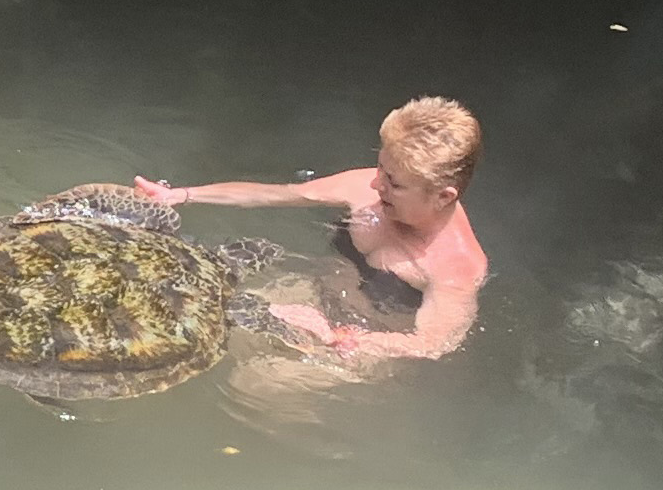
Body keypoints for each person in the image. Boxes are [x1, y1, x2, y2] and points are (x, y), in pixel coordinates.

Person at [134, 96, 488, 360]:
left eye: (394, 183)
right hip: (311, 294)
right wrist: (181, 194)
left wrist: (345, 339)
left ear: (443, 196)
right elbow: (276, 196)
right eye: (380, 167)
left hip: (366, 341)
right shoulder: (367, 186)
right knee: (196, 326)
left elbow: (432, 345)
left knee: (258, 385)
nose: (376, 185)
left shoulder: (456, 268)